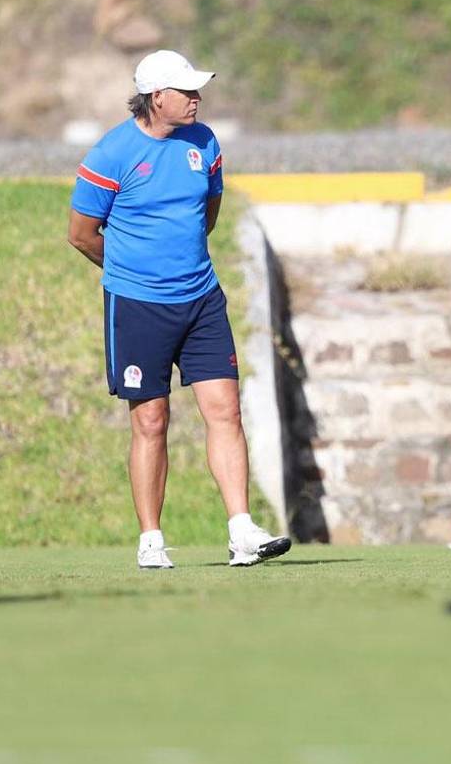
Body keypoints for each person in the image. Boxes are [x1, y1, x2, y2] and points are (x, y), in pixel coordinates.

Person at [67, 50, 290, 568]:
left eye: (197, 90)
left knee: (226, 410)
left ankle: (242, 531)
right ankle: (151, 539)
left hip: (202, 298)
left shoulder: (205, 142)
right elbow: (81, 234)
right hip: (137, 305)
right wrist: (133, 270)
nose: (197, 98)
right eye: (186, 91)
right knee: (151, 420)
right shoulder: (111, 154)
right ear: (156, 97)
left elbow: (207, 214)